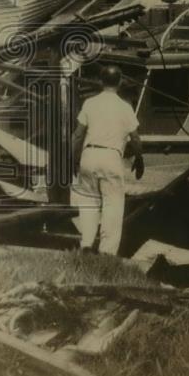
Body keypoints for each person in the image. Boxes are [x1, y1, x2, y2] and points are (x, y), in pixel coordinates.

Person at [71, 65, 144, 255]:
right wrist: (139, 157)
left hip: (89, 154)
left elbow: (78, 135)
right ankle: (107, 253)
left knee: (88, 203)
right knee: (113, 205)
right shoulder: (125, 107)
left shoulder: (90, 103)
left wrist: (73, 159)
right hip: (111, 156)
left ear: (100, 81)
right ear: (120, 82)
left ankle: (86, 245)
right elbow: (135, 138)